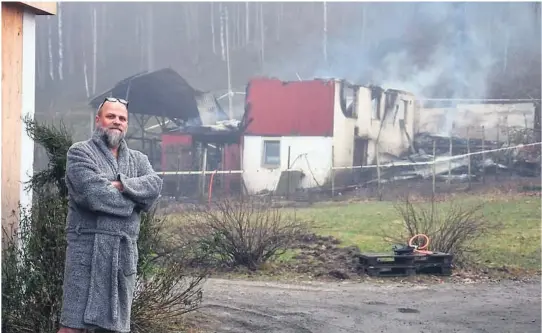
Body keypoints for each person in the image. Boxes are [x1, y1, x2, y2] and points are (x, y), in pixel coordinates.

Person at [58, 97, 163, 333]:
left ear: (127, 124)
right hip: (87, 253)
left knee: (115, 328)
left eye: (122, 118)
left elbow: (155, 186)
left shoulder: (139, 160)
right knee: (71, 327)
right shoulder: (80, 153)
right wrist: (134, 200)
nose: (117, 122)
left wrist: (121, 185)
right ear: (98, 120)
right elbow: (93, 195)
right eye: (111, 116)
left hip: (122, 254)